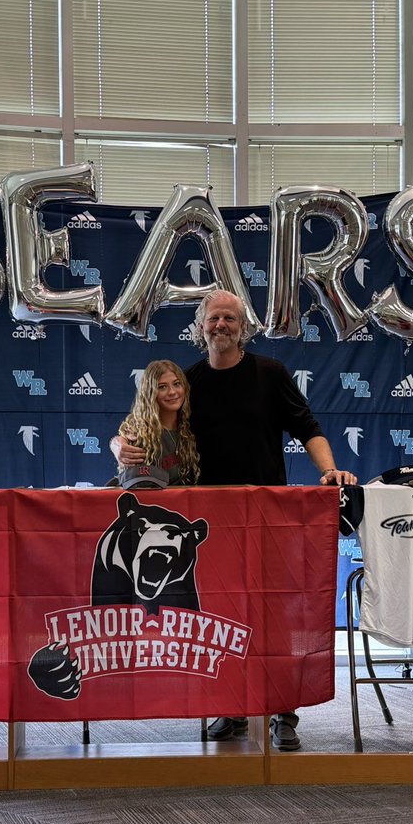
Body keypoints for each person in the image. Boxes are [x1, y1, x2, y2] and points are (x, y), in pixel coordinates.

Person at [113, 289, 357, 751]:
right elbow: (141, 426)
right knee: (223, 617)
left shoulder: (270, 373)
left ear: (242, 326)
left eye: (230, 318)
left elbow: (308, 427)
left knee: (277, 617)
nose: (221, 325)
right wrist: (117, 446)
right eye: (213, 318)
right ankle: (231, 706)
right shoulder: (186, 383)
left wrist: (328, 469)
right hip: (211, 521)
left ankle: (285, 712)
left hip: (269, 515)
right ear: (201, 326)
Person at [116, 360, 200, 488]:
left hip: (185, 504)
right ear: (150, 393)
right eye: (162, 387)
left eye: (177, 384)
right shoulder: (139, 434)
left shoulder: (189, 428)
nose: (172, 392)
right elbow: (138, 490)